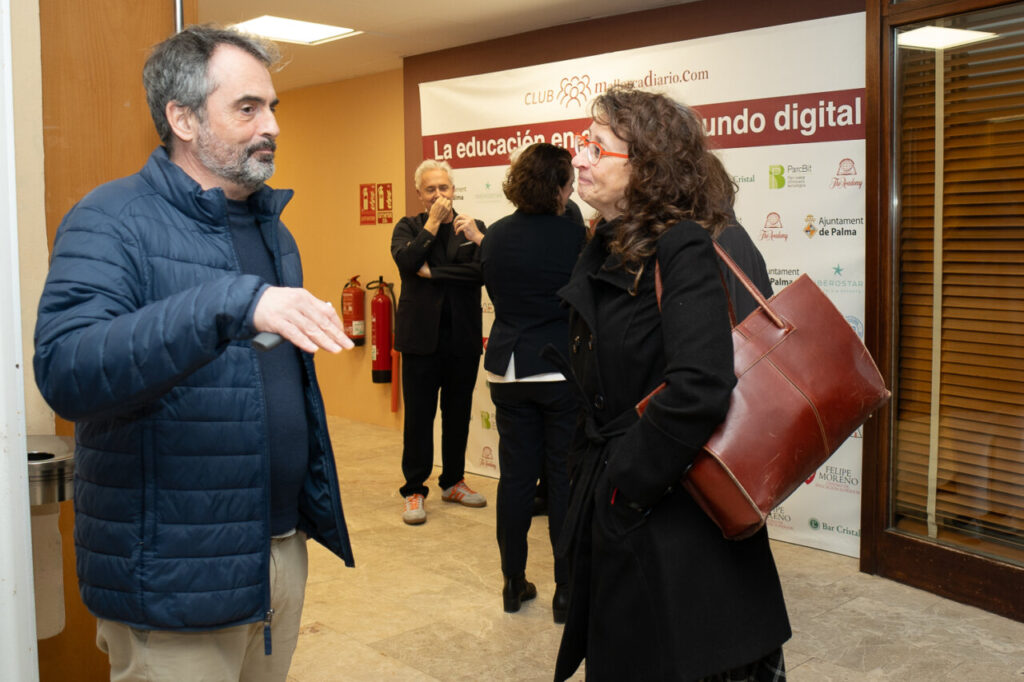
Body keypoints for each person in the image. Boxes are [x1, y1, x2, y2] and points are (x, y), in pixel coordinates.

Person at [32, 25, 356, 681]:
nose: (272, 125)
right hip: (173, 577)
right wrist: (226, 303)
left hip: (276, 554)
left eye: (272, 107)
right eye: (247, 108)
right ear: (182, 118)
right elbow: (67, 369)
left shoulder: (272, 229)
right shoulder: (111, 218)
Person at [554, 86, 791, 681]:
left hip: (679, 528)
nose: (579, 158)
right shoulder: (605, 244)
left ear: (646, 167)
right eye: (583, 144)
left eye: (597, 148)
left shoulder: (681, 244)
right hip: (629, 517)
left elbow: (700, 386)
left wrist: (625, 484)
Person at [479, 143, 585, 621]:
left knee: (516, 480)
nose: (572, 191)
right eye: (569, 183)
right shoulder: (575, 235)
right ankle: (566, 591)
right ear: (558, 187)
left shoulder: (496, 236)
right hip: (559, 368)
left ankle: (512, 582)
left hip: (508, 370)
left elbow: (496, 294)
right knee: (562, 480)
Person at [391, 160, 488, 525]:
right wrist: (431, 225)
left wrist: (434, 273)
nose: (438, 195)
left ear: (453, 190)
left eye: (443, 188)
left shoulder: (471, 227)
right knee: (419, 417)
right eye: (430, 189)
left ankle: (453, 481)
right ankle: (414, 489)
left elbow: (481, 271)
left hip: (462, 337)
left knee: (458, 414)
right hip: (420, 340)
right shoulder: (408, 227)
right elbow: (407, 261)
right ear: (420, 194)